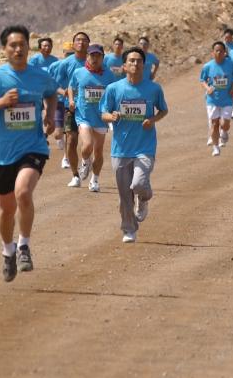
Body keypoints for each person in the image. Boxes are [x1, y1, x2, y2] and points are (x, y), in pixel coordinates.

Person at [0, 25, 59, 281]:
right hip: (4, 154)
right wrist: (1, 102)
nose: (18, 49)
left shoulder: (40, 76)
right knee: (7, 210)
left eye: (22, 44)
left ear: (28, 47)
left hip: (34, 148)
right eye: (13, 45)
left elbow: (52, 94)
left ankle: (24, 246)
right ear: (4, 49)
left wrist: (51, 115)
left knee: (23, 193)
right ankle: (8, 250)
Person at [100, 47, 168, 243]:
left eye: (139, 61)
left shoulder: (154, 89)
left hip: (145, 146)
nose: (135, 64)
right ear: (124, 66)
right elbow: (103, 112)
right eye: (131, 61)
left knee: (138, 183)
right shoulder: (114, 89)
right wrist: (111, 116)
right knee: (124, 195)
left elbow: (163, 110)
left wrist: (152, 119)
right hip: (120, 149)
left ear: (144, 65)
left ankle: (144, 197)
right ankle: (129, 229)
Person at [67, 44, 117, 191]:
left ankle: (94, 180)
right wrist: (71, 100)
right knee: (87, 145)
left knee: (98, 151)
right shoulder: (79, 72)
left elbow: (114, 93)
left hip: (101, 117)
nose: (94, 59)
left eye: (98, 56)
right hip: (84, 116)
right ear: (87, 57)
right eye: (92, 55)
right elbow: (71, 87)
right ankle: (85, 161)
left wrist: (113, 111)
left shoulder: (109, 75)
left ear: (102, 58)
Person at [51, 32, 90, 173]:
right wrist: (64, 92)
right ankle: (73, 171)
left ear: (88, 44)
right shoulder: (66, 63)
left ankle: (86, 160)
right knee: (71, 138)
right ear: (74, 44)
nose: (81, 42)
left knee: (89, 142)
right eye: (78, 40)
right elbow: (53, 83)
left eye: (84, 40)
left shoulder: (94, 61)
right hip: (71, 106)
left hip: (90, 108)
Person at [199, 41, 233, 156]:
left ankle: (225, 131)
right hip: (212, 100)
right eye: (217, 50)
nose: (219, 53)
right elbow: (202, 80)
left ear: (225, 52)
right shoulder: (207, 66)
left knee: (225, 123)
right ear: (213, 52)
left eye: (221, 50)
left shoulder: (231, 64)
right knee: (214, 123)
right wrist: (207, 88)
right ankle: (215, 147)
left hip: (227, 99)